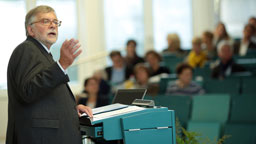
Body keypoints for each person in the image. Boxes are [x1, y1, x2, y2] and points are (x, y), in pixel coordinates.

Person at [6, 5, 92, 144]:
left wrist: (70, 109)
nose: (53, 25)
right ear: (31, 30)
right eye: (46, 21)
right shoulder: (27, 49)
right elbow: (28, 91)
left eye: (55, 22)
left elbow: (44, 95)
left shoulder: (44, 54)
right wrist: (62, 64)